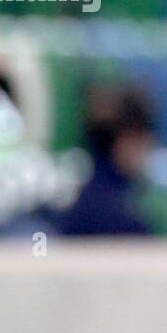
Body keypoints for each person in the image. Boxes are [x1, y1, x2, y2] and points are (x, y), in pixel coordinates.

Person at [56, 85, 155, 237]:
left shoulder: (79, 204)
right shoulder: (123, 220)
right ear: (126, 140)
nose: (149, 148)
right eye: (143, 139)